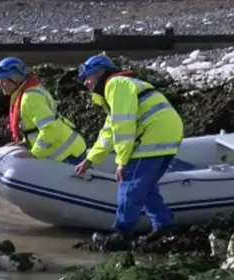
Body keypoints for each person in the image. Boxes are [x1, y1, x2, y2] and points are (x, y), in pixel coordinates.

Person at [74, 55, 184, 250]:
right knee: (146, 186)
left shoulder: (116, 85)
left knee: (130, 182)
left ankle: (122, 232)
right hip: (168, 132)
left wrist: (122, 161)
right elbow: (109, 130)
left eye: (88, 77)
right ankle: (164, 227)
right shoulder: (119, 88)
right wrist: (90, 160)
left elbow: (124, 126)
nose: (86, 84)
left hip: (154, 132)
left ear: (101, 73)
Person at [0, 56, 87, 164]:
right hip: (66, 149)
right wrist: (25, 143)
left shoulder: (30, 98)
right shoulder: (26, 95)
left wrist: (34, 154)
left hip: (68, 153)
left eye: (3, 80)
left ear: (16, 79)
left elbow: (49, 129)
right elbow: (35, 128)